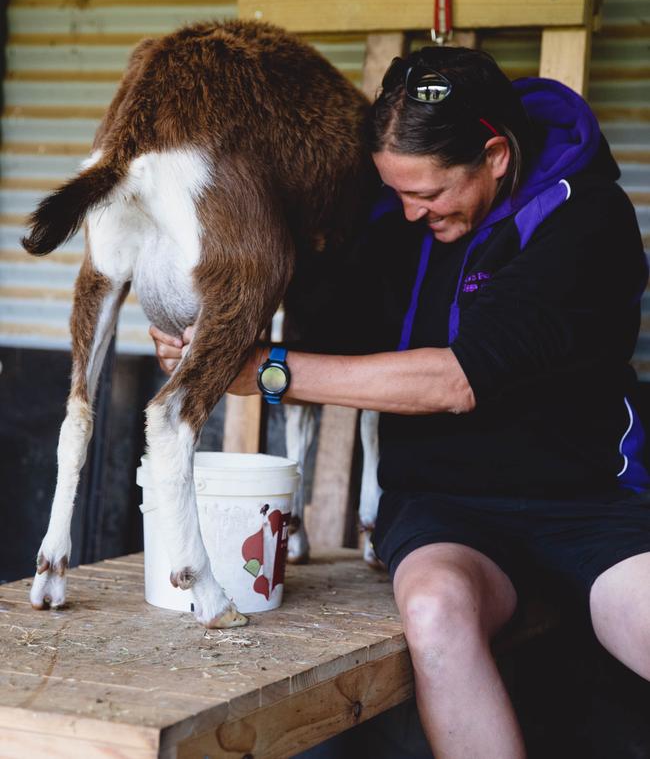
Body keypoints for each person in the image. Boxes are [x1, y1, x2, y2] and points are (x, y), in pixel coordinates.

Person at [151, 46, 650, 758]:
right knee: (434, 608)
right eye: (399, 192)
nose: (412, 211)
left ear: (496, 155)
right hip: (449, 507)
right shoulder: (400, 222)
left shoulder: (586, 220)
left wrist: (263, 370)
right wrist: (209, 336)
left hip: (588, 502)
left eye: (431, 193)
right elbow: (332, 320)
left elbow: (456, 379)